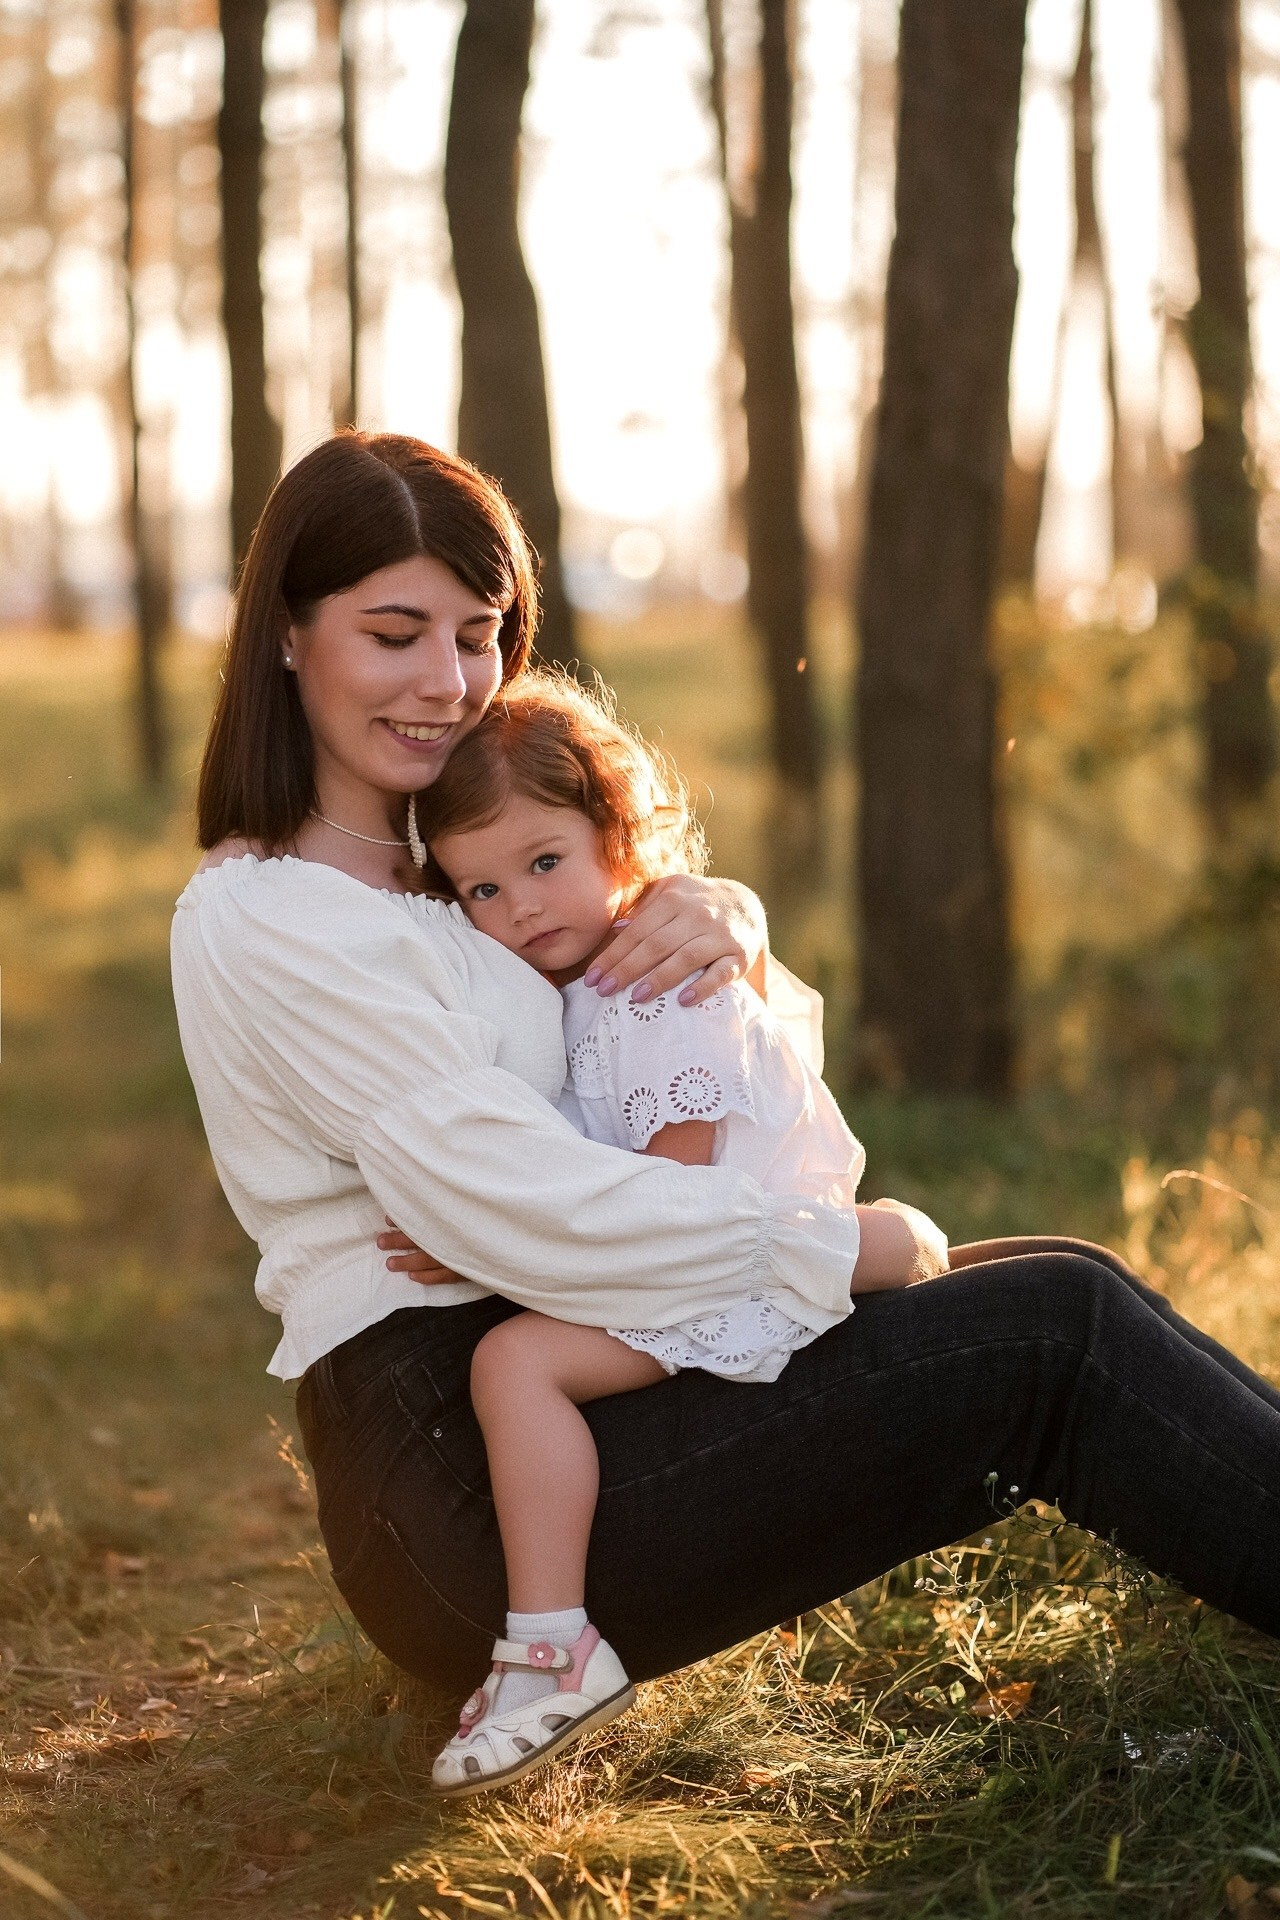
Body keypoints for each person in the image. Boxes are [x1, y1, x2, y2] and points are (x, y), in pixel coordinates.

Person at [172, 431, 1280, 1815]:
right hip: (462, 1489)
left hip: (583, 1351)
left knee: (1071, 1278)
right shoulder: (274, 917)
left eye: (477, 634)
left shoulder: (452, 870)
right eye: (393, 634)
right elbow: (525, 1202)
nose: (447, 685)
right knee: (1056, 1334)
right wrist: (823, 1246)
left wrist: (717, 918)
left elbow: (642, 1041)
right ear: (285, 632)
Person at [413, 673, 949, 1791]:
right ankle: (875, 1242)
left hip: (713, 1243)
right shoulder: (568, 992)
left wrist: (492, 1247)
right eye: (479, 889)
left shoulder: (649, 989)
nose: (518, 907)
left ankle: (554, 1646)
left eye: (544, 862)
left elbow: (674, 1189)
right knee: (520, 1351)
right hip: (701, 1240)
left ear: (614, 833)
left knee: (515, 1362)